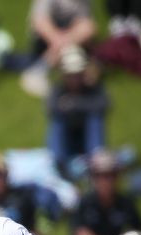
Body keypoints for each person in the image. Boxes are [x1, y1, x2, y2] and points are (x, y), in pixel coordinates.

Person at [60, 149, 141, 235]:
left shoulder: (126, 204)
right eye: (101, 175)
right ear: (93, 177)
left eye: (112, 175)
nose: (107, 181)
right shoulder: (85, 202)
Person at [46, 44, 108, 179]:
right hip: (66, 142)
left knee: (95, 119)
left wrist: (73, 104)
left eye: (77, 74)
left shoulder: (94, 89)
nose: (74, 79)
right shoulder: (58, 90)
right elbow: (51, 108)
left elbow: (104, 105)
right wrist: (82, 105)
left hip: (88, 140)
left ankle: (96, 164)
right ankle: (58, 164)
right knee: (58, 121)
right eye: (71, 75)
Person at [20, 0, 96, 98]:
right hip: (45, 40)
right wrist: (59, 40)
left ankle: (42, 70)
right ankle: (42, 69)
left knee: (88, 28)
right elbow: (39, 21)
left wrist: (65, 39)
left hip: (69, 37)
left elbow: (84, 23)